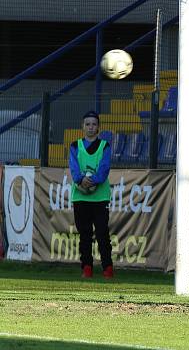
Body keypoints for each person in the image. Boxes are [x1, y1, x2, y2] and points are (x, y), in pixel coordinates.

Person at [68, 110, 114, 279]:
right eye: (87, 124)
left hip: (100, 197)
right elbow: (74, 169)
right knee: (85, 235)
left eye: (94, 124)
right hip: (80, 197)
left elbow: (104, 168)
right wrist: (81, 180)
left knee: (102, 233)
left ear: (98, 127)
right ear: (83, 126)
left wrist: (93, 181)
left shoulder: (105, 146)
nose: (90, 127)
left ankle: (107, 268)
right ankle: (86, 267)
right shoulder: (75, 146)